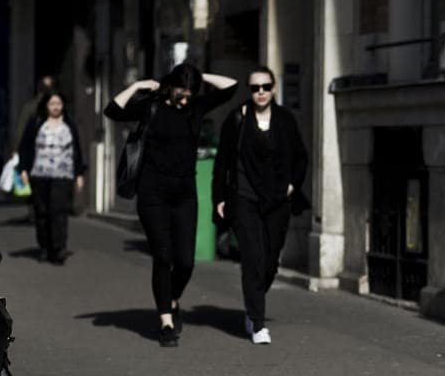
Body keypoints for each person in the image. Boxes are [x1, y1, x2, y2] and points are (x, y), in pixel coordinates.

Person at [104, 64, 238, 348]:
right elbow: (112, 111)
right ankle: (166, 320)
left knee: (186, 261)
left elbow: (231, 87)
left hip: (184, 194)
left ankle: (171, 297)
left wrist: (200, 76)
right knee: (163, 256)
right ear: (170, 86)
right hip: (152, 193)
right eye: (182, 90)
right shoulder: (150, 107)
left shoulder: (195, 107)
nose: (186, 96)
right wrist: (138, 86)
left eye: (191, 91)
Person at [212, 66, 309, 345]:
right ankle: (257, 322)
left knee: (269, 263)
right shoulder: (237, 120)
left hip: (277, 199)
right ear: (249, 91)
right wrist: (219, 197)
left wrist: (292, 184)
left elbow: (301, 158)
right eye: (255, 88)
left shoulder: (285, 120)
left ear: (274, 88)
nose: (261, 93)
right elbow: (222, 162)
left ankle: (253, 305)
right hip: (243, 198)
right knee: (253, 260)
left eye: (266, 87)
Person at [16, 90, 86, 265]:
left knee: (59, 211)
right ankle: (44, 247)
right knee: (42, 212)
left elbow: (76, 149)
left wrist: (79, 174)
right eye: (52, 104)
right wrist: (23, 169)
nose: (56, 107)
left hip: (63, 175)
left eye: (59, 104)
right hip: (39, 174)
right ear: (46, 105)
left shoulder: (69, 124)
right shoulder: (36, 122)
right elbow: (25, 146)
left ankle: (59, 248)